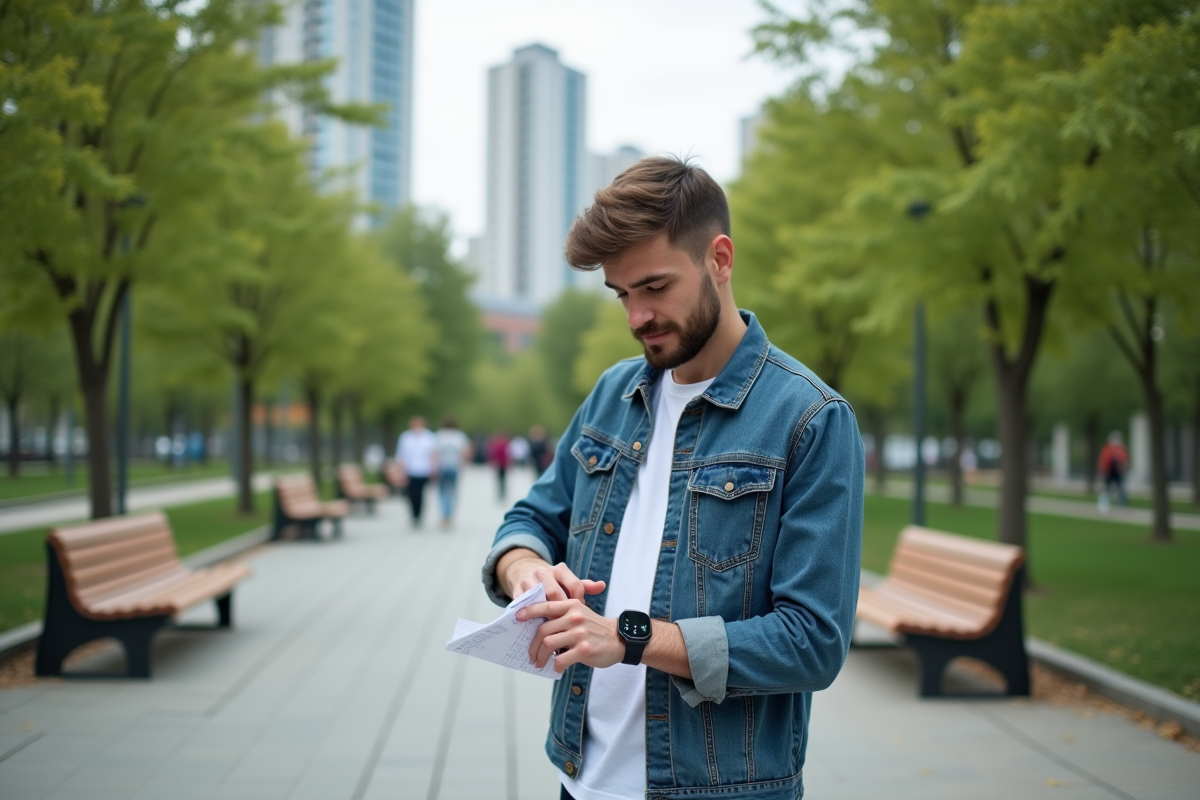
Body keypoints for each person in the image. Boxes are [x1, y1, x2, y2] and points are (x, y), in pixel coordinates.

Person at [480, 157, 864, 800]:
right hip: (579, 778)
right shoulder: (611, 394)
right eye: (623, 294)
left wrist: (628, 637)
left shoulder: (810, 419)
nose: (637, 317)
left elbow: (813, 642)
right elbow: (531, 519)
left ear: (719, 258)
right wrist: (524, 569)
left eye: (655, 287)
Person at [395, 416, 435, 527]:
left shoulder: (429, 437)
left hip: (424, 470)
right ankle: (414, 514)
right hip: (410, 471)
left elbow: (432, 454)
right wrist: (401, 470)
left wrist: (433, 469)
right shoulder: (405, 437)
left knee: (421, 494)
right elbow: (401, 455)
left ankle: (419, 514)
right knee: (411, 494)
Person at [434, 415, 472, 529]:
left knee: (442, 492)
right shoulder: (460, 436)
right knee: (453, 492)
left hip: (442, 467)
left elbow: (435, 453)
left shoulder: (440, 435)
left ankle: (444, 514)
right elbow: (466, 453)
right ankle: (449, 514)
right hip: (455, 467)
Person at [1098, 430, 1129, 510]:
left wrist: (1123, 468)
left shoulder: (1121, 450)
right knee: (1106, 489)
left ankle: (1122, 506)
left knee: (1121, 489)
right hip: (1108, 472)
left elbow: (1124, 461)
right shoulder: (1107, 449)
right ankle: (1104, 505)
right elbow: (1103, 461)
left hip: (1118, 473)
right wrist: (1102, 472)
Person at [486, 431, 511, 500]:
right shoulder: (506, 443)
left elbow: (494, 454)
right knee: (503, 479)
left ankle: (501, 493)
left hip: (499, 463)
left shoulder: (497, 444)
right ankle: (503, 492)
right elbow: (508, 454)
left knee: (499, 479)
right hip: (504, 463)